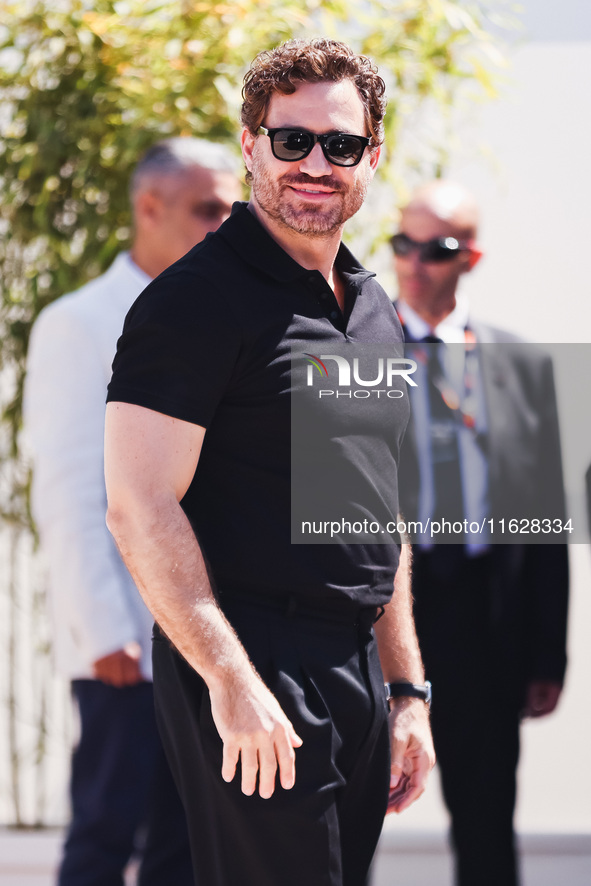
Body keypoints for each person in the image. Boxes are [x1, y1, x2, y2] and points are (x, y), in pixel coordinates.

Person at [103, 38, 435, 886]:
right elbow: (139, 506)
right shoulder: (193, 302)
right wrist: (230, 680)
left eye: (340, 144)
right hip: (252, 657)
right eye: (291, 141)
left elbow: (375, 511)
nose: (314, 164)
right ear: (251, 143)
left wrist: (406, 694)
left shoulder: (367, 306)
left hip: (352, 664)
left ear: (371, 155)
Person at [24, 136, 241, 886]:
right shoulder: (79, 324)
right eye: (205, 208)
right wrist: (107, 634)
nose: (224, 224)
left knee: (185, 847)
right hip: (128, 649)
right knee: (106, 835)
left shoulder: (223, 318)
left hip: (211, 642)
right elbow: (70, 487)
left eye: (231, 208)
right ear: (147, 208)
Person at [393, 180, 569, 886]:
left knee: (486, 820)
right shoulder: (346, 354)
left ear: (470, 255)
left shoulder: (517, 363)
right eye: (401, 243)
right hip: (380, 616)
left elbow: (542, 518)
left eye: (433, 248)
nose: (412, 263)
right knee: (349, 822)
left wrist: (546, 655)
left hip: (482, 620)